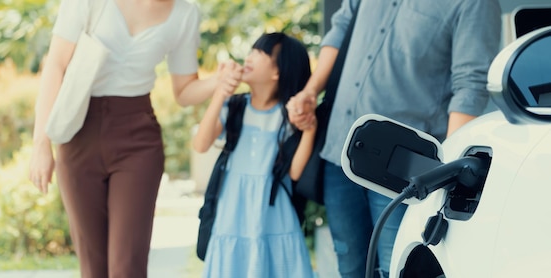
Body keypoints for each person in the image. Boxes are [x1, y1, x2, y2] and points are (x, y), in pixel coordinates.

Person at [287, 0, 502, 277]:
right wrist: (310, 91)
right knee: (349, 264)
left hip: (404, 168)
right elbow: (340, 29)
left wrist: (446, 174)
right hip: (339, 151)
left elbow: (470, 85)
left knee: (395, 265)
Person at [27, 0, 241, 276]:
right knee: (93, 265)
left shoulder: (185, 14)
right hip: (78, 130)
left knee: (127, 265)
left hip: (138, 136)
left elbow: (184, 90)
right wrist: (41, 143)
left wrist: (217, 82)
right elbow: (55, 65)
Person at [193, 32, 316, 278]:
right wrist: (220, 92)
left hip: (273, 210)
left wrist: (310, 129)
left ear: (277, 72)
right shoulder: (235, 105)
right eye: (251, 51)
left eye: (260, 53)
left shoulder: (289, 115)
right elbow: (201, 144)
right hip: (232, 206)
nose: (249, 57)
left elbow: (294, 173)